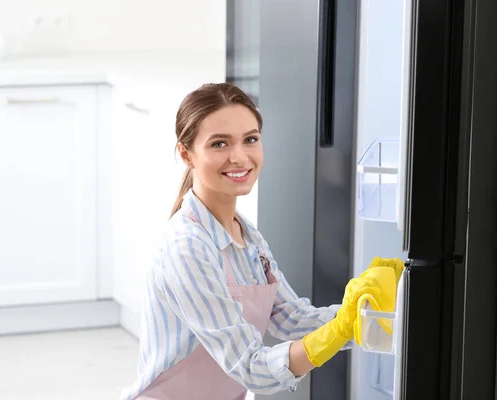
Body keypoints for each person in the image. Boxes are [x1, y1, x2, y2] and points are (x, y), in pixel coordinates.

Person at [120, 83, 400, 400]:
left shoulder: (246, 235)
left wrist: (360, 313)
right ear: (187, 154)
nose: (239, 157)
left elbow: (291, 320)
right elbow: (252, 369)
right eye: (219, 144)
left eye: (250, 139)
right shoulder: (186, 247)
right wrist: (339, 331)